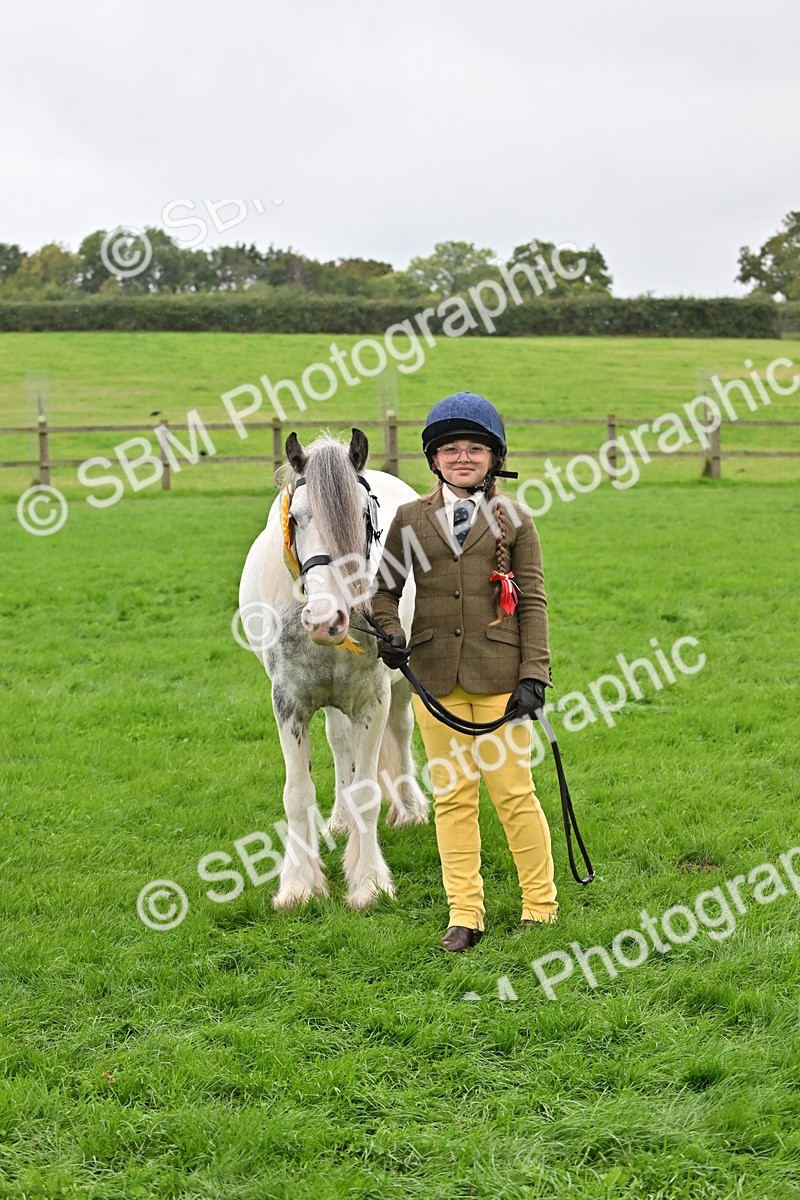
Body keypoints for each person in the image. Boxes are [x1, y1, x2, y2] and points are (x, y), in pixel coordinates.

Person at [371, 392, 558, 952]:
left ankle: (540, 905)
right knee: (452, 795)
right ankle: (464, 912)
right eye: (450, 449)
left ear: (493, 459)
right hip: (434, 678)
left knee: (513, 792)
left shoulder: (516, 519)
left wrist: (535, 675)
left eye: (475, 449)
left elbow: (534, 602)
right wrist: (391, 633)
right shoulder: (409, 519)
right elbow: (382, 591)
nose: (462, 458)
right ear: (433, 459)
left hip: (501, 677)